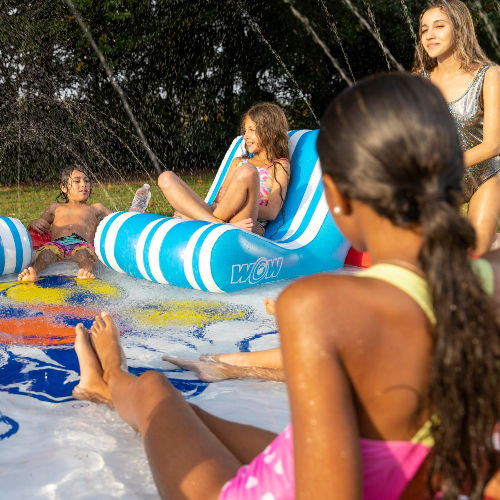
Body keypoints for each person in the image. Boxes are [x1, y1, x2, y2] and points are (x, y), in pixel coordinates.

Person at [72, 74, 500, 499]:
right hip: (371, 464)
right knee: (191, 415)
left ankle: (107, 378)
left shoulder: (316, 304)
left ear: (336, 196)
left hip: (285, 487)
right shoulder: (487, 281)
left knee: (154, 390)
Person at [413, 0, 500, 255]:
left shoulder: (490, 75)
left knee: (474, 254)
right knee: (429, 253)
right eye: (424, 29)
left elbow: (493, 145)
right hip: (442, 181)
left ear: (459, 28)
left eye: (439, 26)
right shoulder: (420, 78)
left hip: (485, 175)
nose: (429, 35)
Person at [157, 102, 291, 235]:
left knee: (248, 171)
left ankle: (198, 219)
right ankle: (221, 225)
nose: (246, 136)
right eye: (245, 131)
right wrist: (224, 199)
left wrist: (236, 202)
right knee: (166, 178)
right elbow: (217, 202)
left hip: (248, 223)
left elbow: (272, 212)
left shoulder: (279, 166)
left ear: (272, 132)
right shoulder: (238, 161)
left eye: (252, 130)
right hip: (222, 218)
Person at [18, 166, 112, 282]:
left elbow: (117, 220)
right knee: (45, 255)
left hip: (81, 243)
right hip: (57, 243)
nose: (84, 184)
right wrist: (34, 223)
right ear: (64, 188)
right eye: (77, 181)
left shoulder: (97, 208)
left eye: (87, 181)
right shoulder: (56, 207)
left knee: (83, 256)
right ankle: (33, 273)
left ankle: (86, 272)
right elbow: (40, 226)